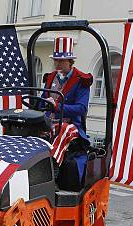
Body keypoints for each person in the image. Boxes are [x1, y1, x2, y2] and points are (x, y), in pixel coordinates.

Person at [41, 36, 93, 191]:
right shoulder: (51, 78)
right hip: (50, 121)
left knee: (61, 129)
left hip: (72, 125)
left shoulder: (81, 80)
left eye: (61, 61)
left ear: (70, 62)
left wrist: (57, 106)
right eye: (56, 60)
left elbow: (81, 109)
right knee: (29, 126)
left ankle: (52, 175)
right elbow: (43, 101)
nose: (57, 64)